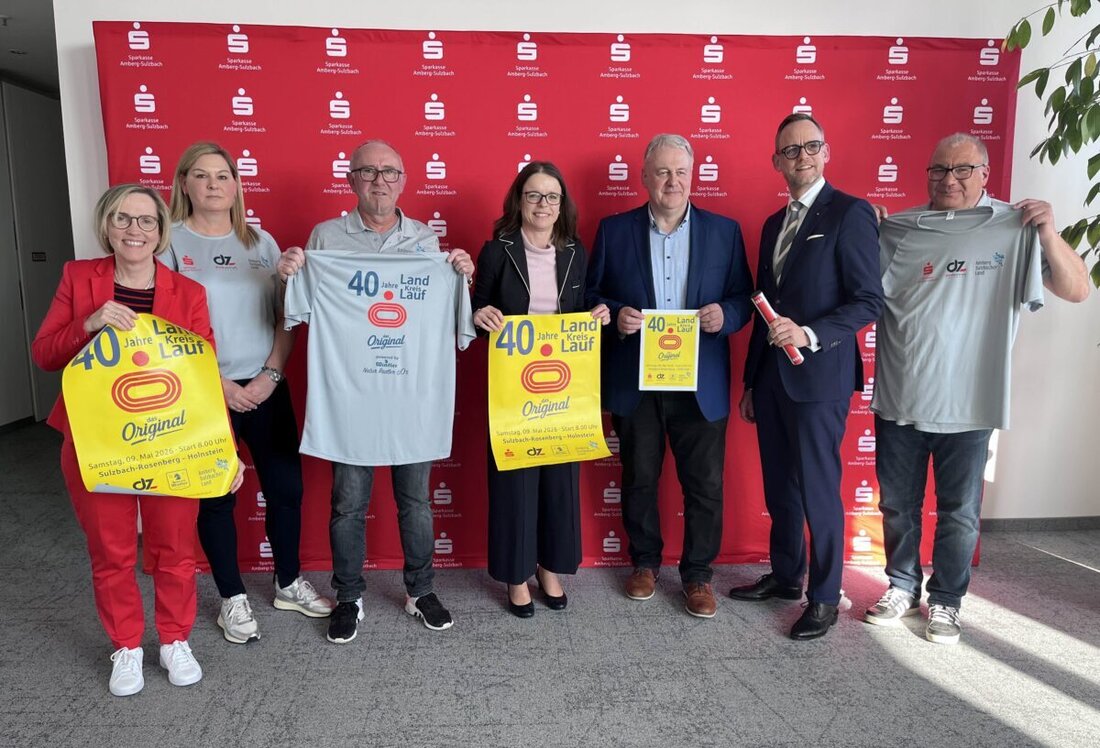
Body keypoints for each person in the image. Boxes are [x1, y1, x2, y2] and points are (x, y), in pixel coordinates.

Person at [866, 133, 1090, 644]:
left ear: (985, 174)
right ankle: (902, 585)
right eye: (940, 169)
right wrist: (867, 231)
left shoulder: (1014, 228)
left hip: (970, 402)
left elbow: (1077, 289)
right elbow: (856, 288)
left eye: (963, 170)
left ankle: (946, 600)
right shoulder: (897, 231)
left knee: (959, 513)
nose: (950, 179)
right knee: (897, 507)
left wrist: (1050, 233)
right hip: (900, 397)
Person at [32, 184, 244, 696]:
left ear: (160, 230)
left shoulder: (188, 293)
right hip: (95, 440)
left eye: (146, 221)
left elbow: (203, 376)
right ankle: (126, 645)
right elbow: (44, 355)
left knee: (174, 547)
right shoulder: (79, 278)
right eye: (123, 219)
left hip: (172, 441)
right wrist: (88, 323)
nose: (134, 230)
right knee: (112, 551)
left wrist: (226, 448)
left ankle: (174, 639)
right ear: (107, 225)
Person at [277, 139, 475, 644]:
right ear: (351, 179)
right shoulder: (324, 238)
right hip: (352, 396)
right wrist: (290, 274)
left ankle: (420, 590)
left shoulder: (427, 242)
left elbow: (447, 317)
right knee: (347, 503)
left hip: (410, 396)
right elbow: (295, 310)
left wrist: (459, 277)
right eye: (367, 171)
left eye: (389, 171)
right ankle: (348, 596)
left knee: (416, 502)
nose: (379, 180)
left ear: (404, 179)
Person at [164, 142, 334, 646]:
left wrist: (270, 376)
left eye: (223, 175)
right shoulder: (168, 242)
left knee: (287, 489)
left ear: (237, 185)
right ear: (184, 184)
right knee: (216, 496)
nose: (214, 184)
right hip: (202, 390)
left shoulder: (262, 243)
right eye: (202, 175)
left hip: (265, 385)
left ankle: (286, 582)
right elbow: (164, 329)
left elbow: (287, 315)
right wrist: (219, 385)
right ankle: (232, 597)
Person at [585, 133, 753, 618]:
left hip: (699, 382)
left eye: (680, 171)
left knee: (704, 485)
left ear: (692, 176)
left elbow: (744, 296)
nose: (672, 181)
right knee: (639, 478)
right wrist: (616, 315)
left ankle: (698, 575)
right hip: (636, 380)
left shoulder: (724, 231)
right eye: (662, 172)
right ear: (644, 178)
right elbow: (593, 292)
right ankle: (644, 563)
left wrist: (728, 314)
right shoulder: (615, 231)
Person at [729, 113, 884, 640]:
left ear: (826, 151)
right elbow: (764, 308)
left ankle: (823, 597)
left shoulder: (851, 213)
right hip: (772, 381)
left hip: (819, 377)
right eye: (790, 151)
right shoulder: (774, 225)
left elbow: (868, 300)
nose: (801, 157)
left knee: (818, 489)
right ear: (777, 162)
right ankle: (787, 575)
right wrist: (751, 381)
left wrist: (811, 334)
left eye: (810, 146)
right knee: (781, 487)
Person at [471, 162, 610, 617]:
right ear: (519, 200)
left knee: (558, 482)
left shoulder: (574, 251)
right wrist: (481, 315)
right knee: (514, 480)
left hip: (564, 384)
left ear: (562, 204)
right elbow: (476, 307)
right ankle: (515, 575)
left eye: (552, 197)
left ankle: (550, 568)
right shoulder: (497, 251)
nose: (543, 205)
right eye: (534, 195)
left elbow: (584, 303)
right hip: (514, 386)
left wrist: (599, 313)